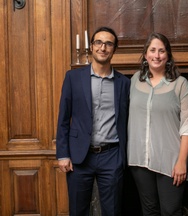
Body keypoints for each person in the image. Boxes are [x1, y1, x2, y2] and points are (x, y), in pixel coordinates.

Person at [56, 26, 130, 216]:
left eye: (108, 44)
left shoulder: (124, 83)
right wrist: (62, 154)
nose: (103, 47)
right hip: (80, 156)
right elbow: (63, 118)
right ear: (91, 46)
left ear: (114, 49)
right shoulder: (73, 78)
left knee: (113, 211)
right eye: (98, 42)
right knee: (78, 210)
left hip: (112, 156)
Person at [127, 32, 188, 216]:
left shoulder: (181, 85)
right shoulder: (134, 81)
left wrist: (181, 162)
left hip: (171, 160)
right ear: (146, 54)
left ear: (168, 56)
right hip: (139, 160)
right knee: (149, 211)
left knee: (171, 210)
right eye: (153, 50)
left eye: (162, 51)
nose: (157, 55)